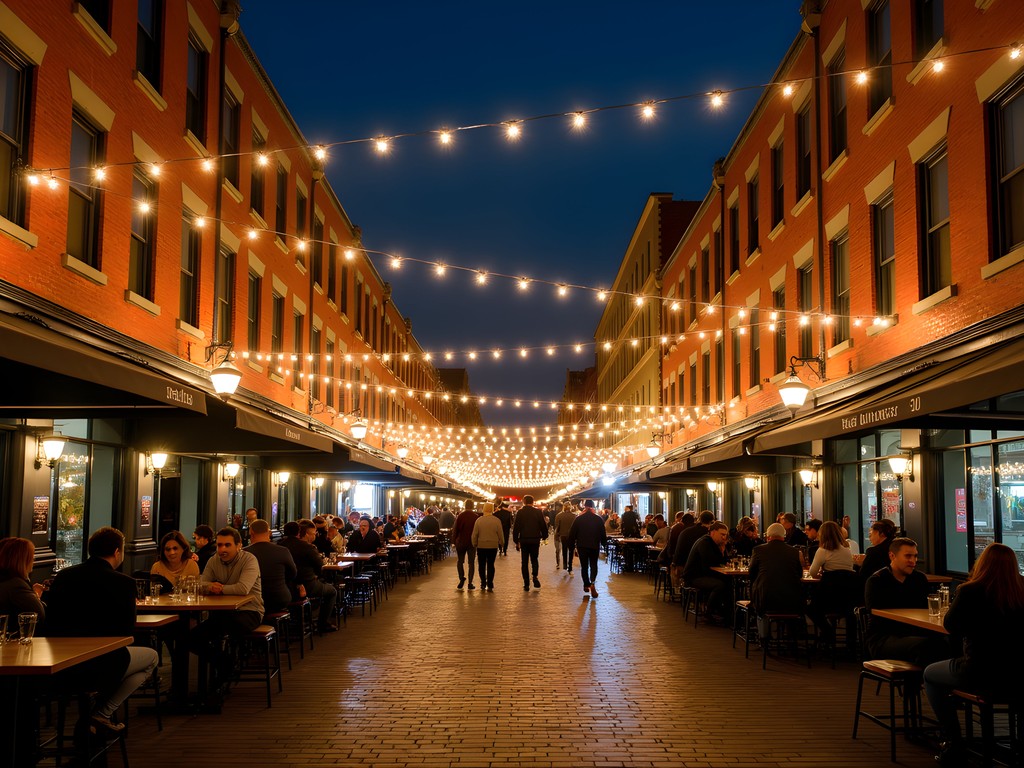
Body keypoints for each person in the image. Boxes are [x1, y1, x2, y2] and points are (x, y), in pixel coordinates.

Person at [45, 527, 159, 732]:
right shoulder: (124, 583)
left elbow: (51, 621)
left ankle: (93, 714)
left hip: (61, 667)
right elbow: (127, 630)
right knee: (151, 657)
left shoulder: (63, 577)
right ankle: (101, 713)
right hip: (103, 664)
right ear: (117, 552)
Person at [924, 543, 1024, 766]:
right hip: (1018, 674)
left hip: (980, 671)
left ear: (982, 563)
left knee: (930, 674)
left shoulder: (970, 590)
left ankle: (954, 741)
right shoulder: (1022, 589)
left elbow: (950, 625)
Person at [191, 527, 264, 691]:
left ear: (239, 545)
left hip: (250, 611)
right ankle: (224, 664)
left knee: (222, 628)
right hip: (223, 613)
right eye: (219, 545)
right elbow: (200, 584)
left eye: (227, 545)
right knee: (191, 638)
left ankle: (219, 679)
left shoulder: (249, 560)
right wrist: (209, 586)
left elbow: (243, 588)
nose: (222, 549)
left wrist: (218, 588)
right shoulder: (213, 560)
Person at [864, 537, 949, 665]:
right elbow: (877, 614)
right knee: (926, 646)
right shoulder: (877, 581)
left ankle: (932, 681)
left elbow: (926, 610)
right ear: (892, 556)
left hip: (916, 633)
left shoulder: (919, 579)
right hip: (883, 638)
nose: (913, 561)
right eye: (908, 556)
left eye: (915, 556)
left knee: (950, 642)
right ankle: (919, 683)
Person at [279, 520, 337, 632]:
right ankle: (323, 624)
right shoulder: (307, 547)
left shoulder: (280, 546)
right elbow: (320, 566)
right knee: (332, 591)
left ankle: (300, 621)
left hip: (286, 587)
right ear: (300, 533)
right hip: (308, 585)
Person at [748, 523, 805, 634]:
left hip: (766, 599)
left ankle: (763, 636)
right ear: (784, 536)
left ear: (768, 536)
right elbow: (799, 574)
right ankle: (790, 635)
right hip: (791, 600)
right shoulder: (794, 552)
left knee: (757, 588)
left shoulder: (758, 550)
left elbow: (752, 573)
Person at [806, 521, 856, 643]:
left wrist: (821, 575)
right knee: (847, 612)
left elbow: (812, 572)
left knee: (811, 609)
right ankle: (850, 644)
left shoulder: (822, 550)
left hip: (828, 596)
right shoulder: (847, 550)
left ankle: (828, 632)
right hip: (847, 597)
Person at [244, 519, 297, 617]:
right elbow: (293, 573)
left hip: (252, 600)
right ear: (269, 532)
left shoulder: (244, 553)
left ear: (252, 533)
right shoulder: (282, 551)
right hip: (279, 598)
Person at [682, 521, 730, 621]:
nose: (724, 537)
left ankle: (725, 612)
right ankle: (709, 612)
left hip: (704, 574)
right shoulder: (704, 542)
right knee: (720, 585)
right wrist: (721, 553)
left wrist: (723, 551)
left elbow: (725, 562)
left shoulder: (716, 544)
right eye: (722, 534)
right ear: (713, 532)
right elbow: (709, 564)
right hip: (694, 577)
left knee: (729, 582)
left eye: (725, 535)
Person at [0, 537, 46, 629]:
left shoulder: (5, 579)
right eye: (32, 556)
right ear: (22, 560)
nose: (34, 560)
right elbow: (40, 615)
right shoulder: (16, 585)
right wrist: (36, 594)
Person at [566, 499, 607, 598]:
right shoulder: (598, 519)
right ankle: (592, 582)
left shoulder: (578, 519)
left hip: (582, 546)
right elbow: (603, 533)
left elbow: (572, 534)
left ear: (584, 506)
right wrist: (604, 544)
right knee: (594, 565)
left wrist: (571, 546)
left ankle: (586, 584)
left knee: (584, 566)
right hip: (594, 546)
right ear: (593, 506)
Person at [855, 518, 898, 601]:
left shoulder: (874, 551)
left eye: (871, 533)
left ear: (881, 533)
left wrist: (859, 564)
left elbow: (863, 576)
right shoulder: (897, 547)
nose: (870, 536)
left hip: (876, 592)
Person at [512, 494, 548, 591]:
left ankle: (526, 583)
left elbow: (516, 528)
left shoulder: (520, 512)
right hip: (535, 539)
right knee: (534, 559)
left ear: (524, 502)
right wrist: (545, 536)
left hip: (524, 539)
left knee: (524, 562)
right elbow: (543, 525)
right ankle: (535, 576)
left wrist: (516, 541)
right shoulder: (538, 512)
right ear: (533, 502)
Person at [672, 511, 713, 588]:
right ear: (711, 521)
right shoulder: (709, 534)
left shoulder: (686, 531)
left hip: (681, 566)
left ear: (699, 519)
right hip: (696, 571)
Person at [471, 502, 504, 592]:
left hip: (481, 545)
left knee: (481, 565)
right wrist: (502, 543)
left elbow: (475, 534)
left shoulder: (479, 520)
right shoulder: (497, 520)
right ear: (492, 509)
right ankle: (490, 583)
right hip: (493, 545)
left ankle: (483, 582)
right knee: (491, 564)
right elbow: (500, 534)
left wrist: (474, 543)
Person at [453, 500, 480, 590]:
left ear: (465, 506)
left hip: (460, 542)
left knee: (460, 561)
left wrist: (453, 542)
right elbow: (477, 531)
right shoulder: (476, 517)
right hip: (472, 543)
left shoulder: (460, 516)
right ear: (472, 506)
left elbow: (455, 530)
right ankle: (470, 583)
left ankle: (461, 578)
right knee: (471, 563)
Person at [553, 502, 577, 571]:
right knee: (571, 550)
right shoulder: (574, 516)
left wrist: (557, 536)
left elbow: (557, 527)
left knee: (564, 549)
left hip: (563, 535)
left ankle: (565, 565)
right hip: (572, 536)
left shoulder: (558, 516)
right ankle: (570, 565)